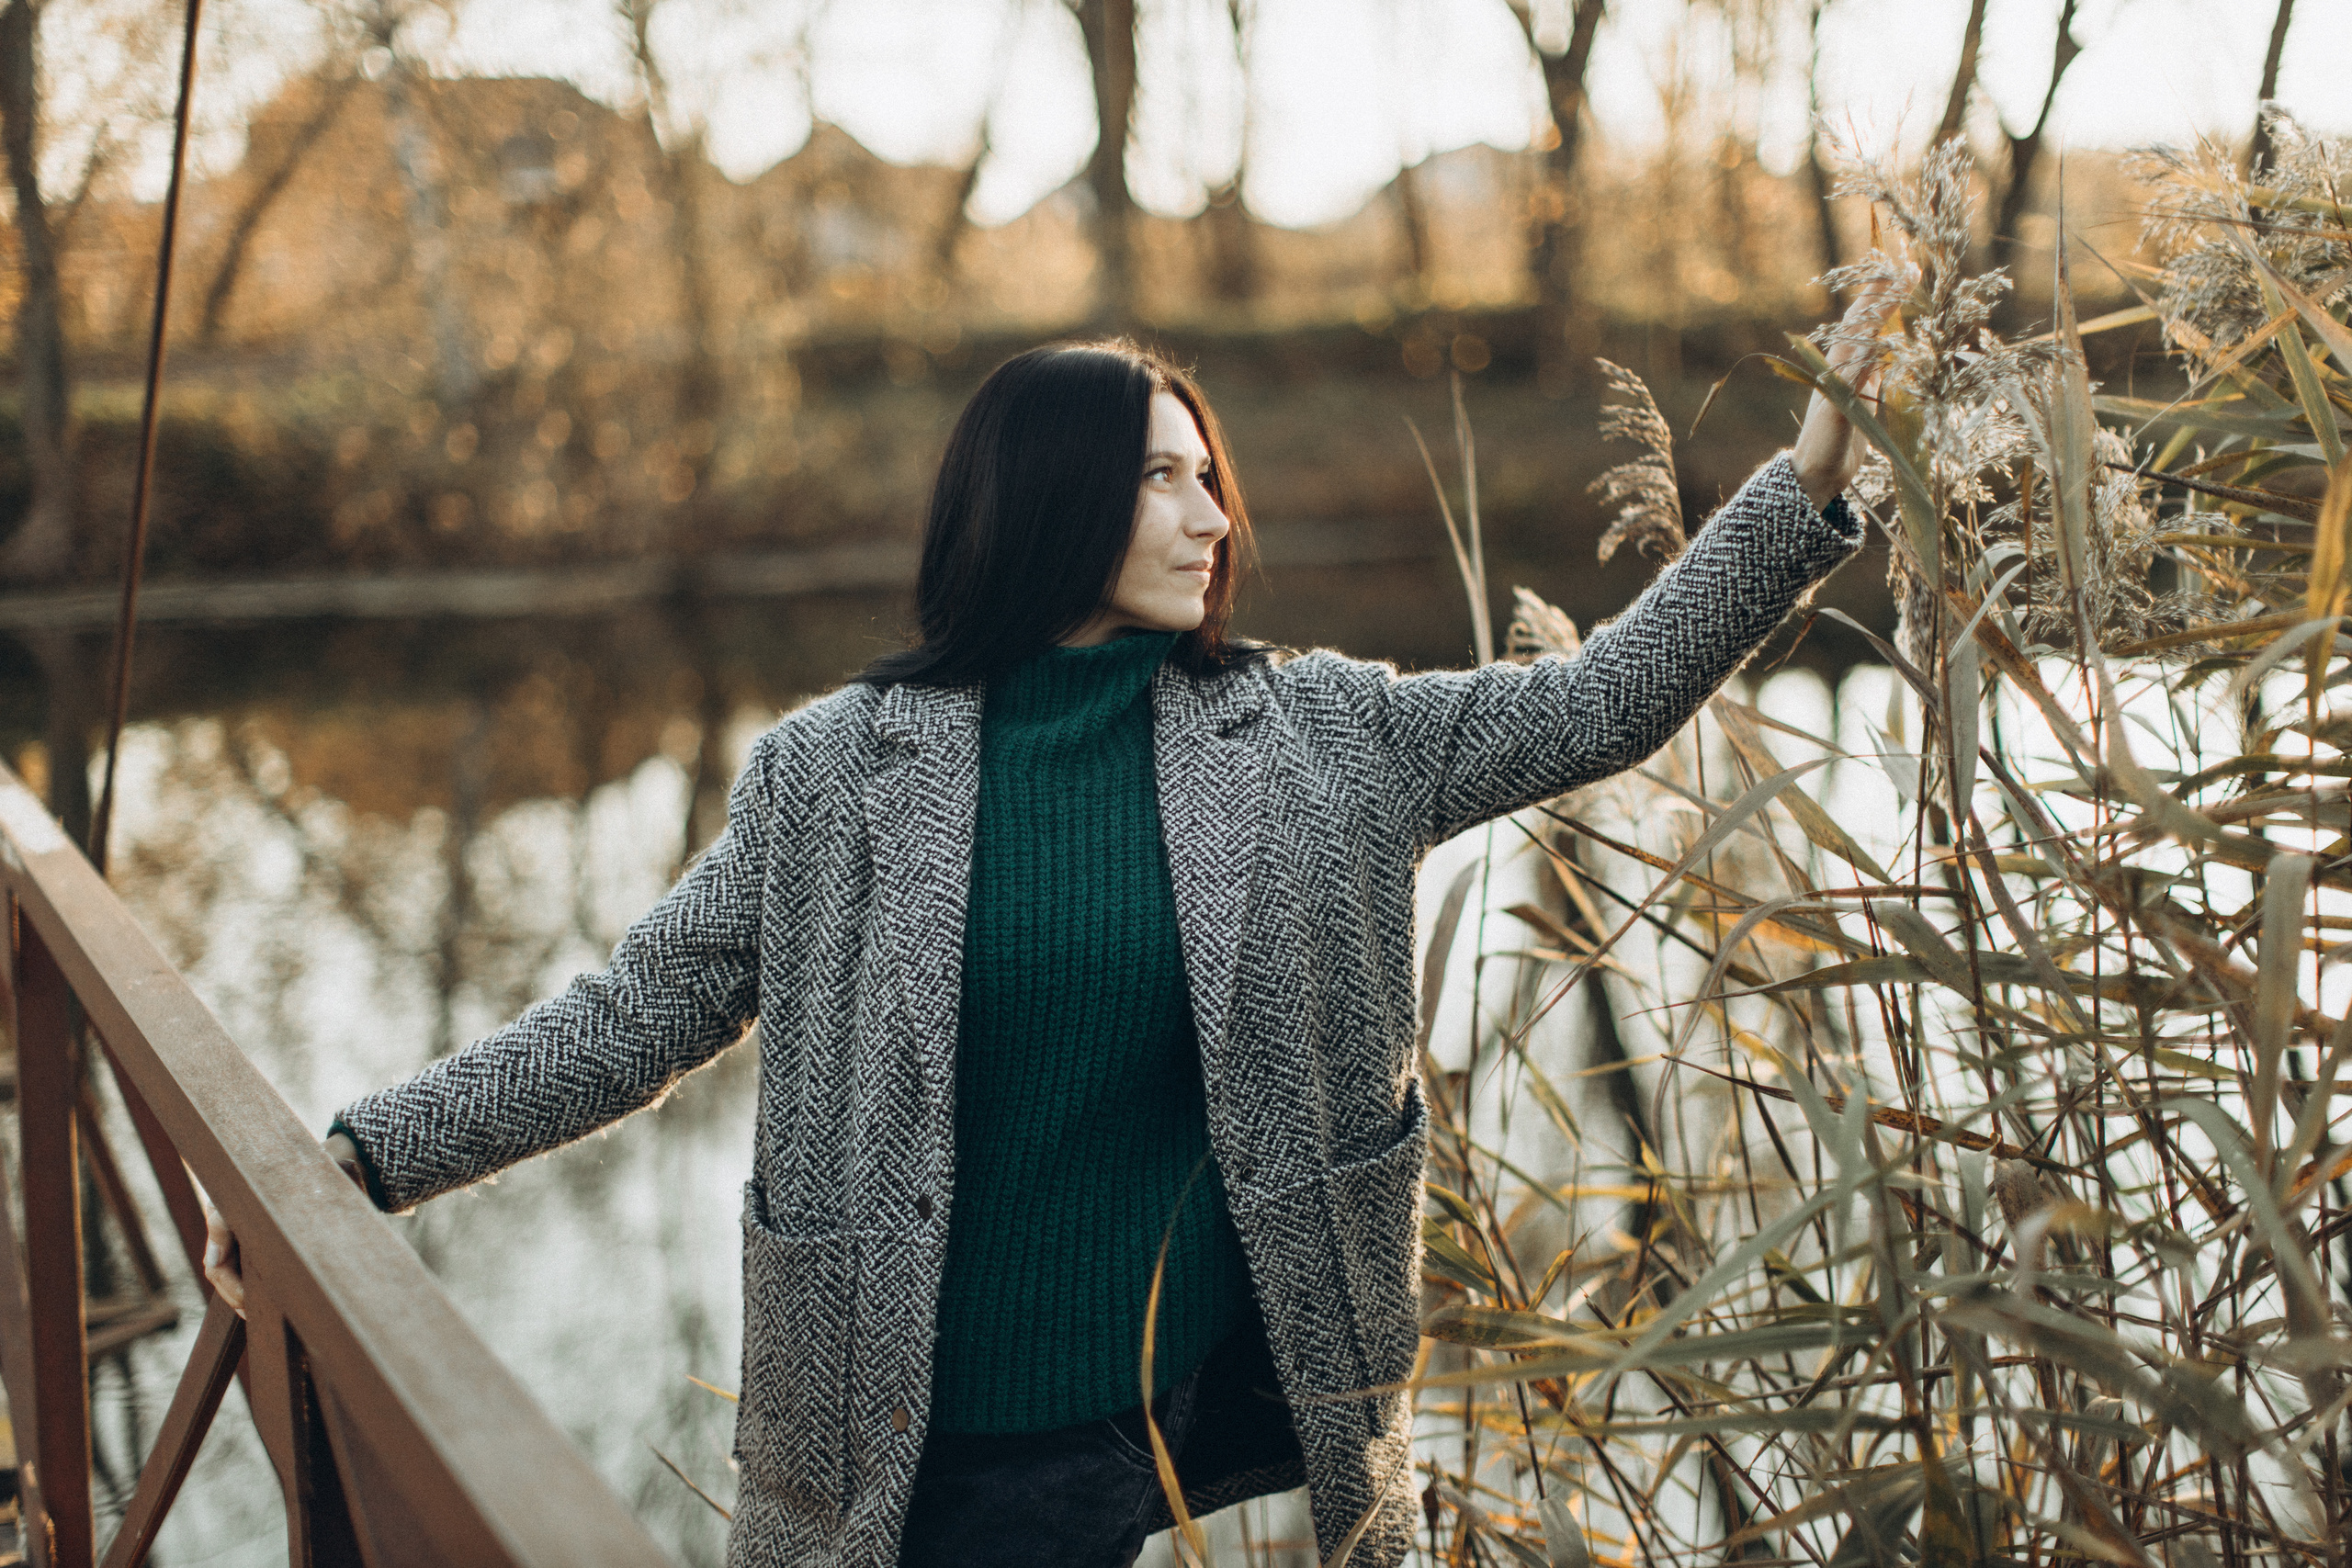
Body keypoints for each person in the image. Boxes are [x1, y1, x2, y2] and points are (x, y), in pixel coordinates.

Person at [207, 288, 1893, 1568]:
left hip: (1225, 1438)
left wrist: (1809, 477)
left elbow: (1604, 701)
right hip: (916, 1452)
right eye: (1165, 482)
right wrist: (357, 1158)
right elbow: (637, 1015)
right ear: (1052, 498)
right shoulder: (837, 776)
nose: (1215, 518)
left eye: (1210, 481)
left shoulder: (1325, 736)